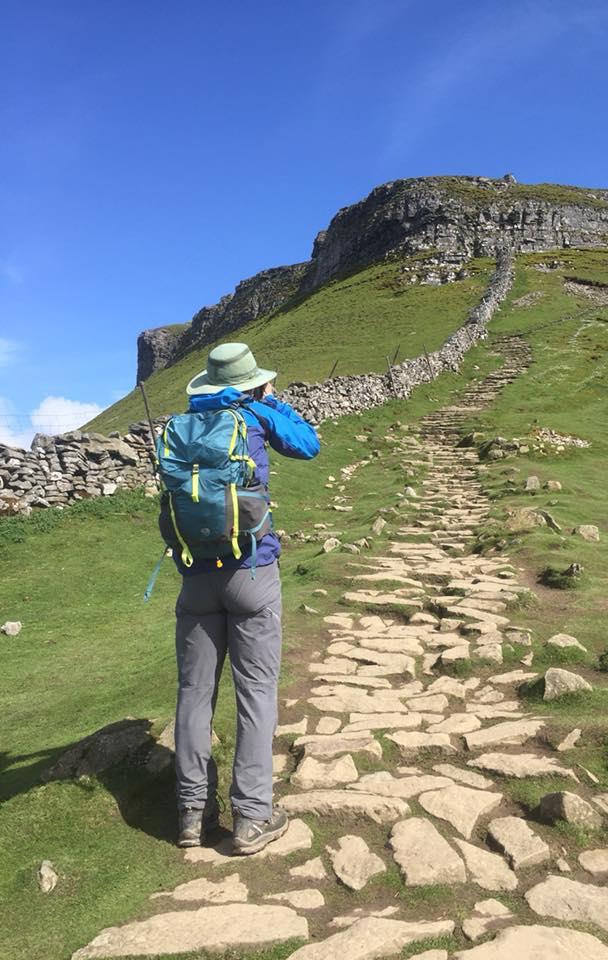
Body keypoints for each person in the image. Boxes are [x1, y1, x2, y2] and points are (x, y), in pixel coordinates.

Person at [172, 342, 319, 854]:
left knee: (193, 694)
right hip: (252, 570)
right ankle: (253, 817)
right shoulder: (256, 412)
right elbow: (308, 445)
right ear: (252, 382)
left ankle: (193, 813)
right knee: (255, 692)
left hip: (196, 576)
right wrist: (272, 401)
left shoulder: (183, 426)